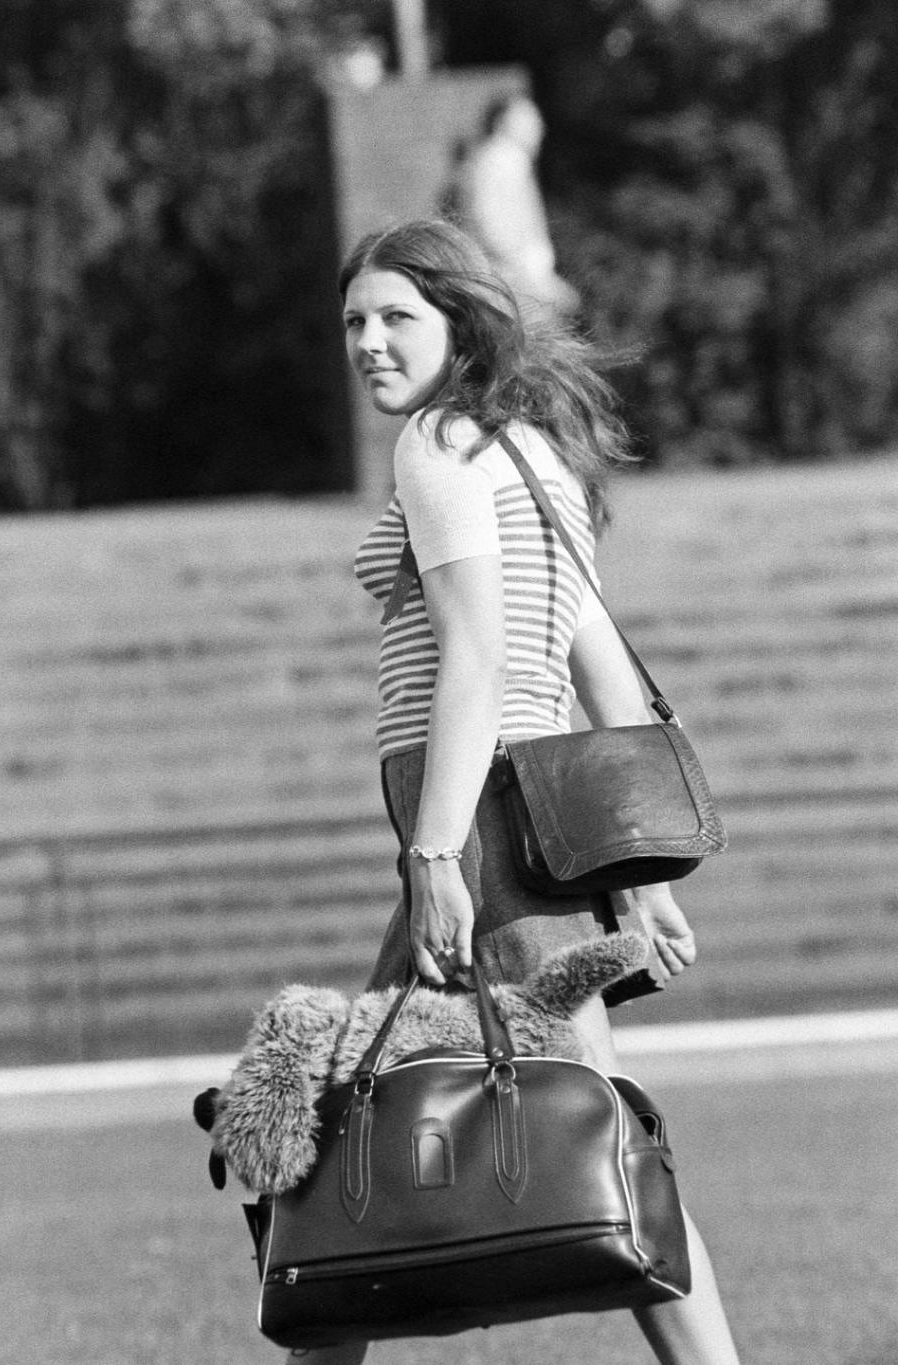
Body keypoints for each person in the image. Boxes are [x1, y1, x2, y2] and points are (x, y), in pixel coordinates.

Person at [297, 219, 741, 1365]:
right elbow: (599, 670)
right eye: (354, 319)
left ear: (459, 321)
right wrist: (633, 886)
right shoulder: (531, 453)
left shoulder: (437, 444)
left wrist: (435, 857)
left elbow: (482, 661)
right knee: (365, 1103)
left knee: (580, 1123)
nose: (369, 341)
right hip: (528, 819)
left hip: (483, 825)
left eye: (398, 315)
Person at [443, 93, 580, 323]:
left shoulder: (502, 161)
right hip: (512, 285)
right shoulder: (499, 161)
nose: (538, 126)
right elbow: (495, 232)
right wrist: (536, 281)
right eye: (528, 119)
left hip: (515, 282)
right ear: (502, 124)